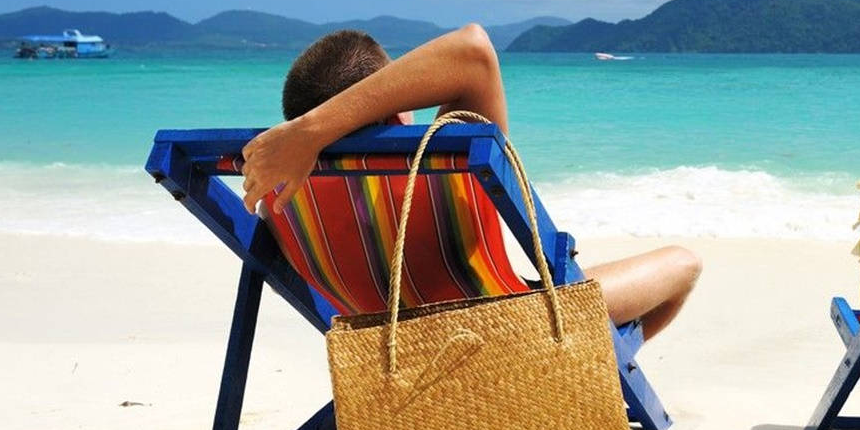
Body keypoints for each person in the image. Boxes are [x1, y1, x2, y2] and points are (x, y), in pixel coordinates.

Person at [239, 25, 701, 341]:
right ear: (398, 109)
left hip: (391, 346)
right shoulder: (435, 166)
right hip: (510, 329)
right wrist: (314, 130)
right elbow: (473, 51)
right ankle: (574, 384)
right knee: (684, 264)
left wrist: (306, 135)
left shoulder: (277, 190)